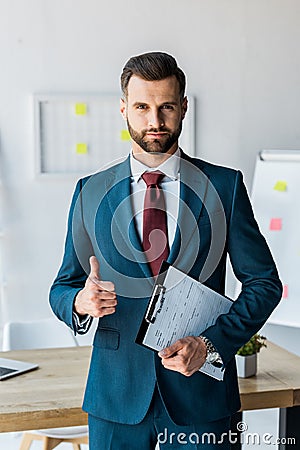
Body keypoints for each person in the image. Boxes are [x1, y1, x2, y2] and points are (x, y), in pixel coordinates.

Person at [50, 51, 282, 449]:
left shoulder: (224, 188)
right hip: (115, 399)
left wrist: (211, 344)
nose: (154, 122)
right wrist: (80, 303)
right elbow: (62, 287)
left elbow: (264, 284)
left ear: (183, 108)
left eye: (166, 107)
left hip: (202, 401)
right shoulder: (90, 192)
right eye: (141, 107)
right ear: (123, 109)